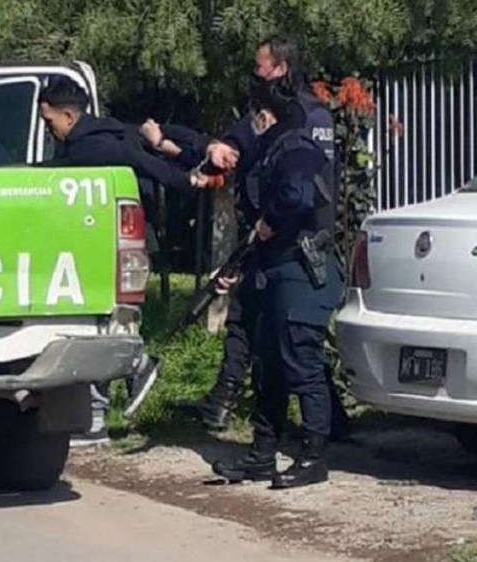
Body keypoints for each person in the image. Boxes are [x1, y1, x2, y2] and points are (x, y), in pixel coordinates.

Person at [144, 36, 350, 438]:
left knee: (288, 331)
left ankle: (317, 427)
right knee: (259, 321)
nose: (254, 73)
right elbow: (232, 145)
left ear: (280, 69)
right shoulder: (295, 113)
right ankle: (232, 403)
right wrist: (172, 143)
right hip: (273, 233)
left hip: (291, 237)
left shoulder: (300, 117)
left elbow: (297, 184)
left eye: (260, 66)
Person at [37, 75, 207, 443]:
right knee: (98, 321)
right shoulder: (105, 133)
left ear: (68, 116)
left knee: (101, 321)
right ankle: (101, 409)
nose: (48, 130)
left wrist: (186, 180)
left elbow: (142, 161)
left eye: (49, 121)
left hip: (112, 249)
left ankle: (129, 377)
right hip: (109, 247)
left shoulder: (92, 148)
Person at [210, 83, 343, 489]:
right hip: (273, 272)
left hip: (303, 274)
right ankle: (261, 456)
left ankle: (313, 457)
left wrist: (270, 221)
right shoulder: (272, 149)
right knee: (268, 368)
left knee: (301, 366)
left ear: (266, 114)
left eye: (255, 115)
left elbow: (297, 196)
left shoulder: (297, 146)